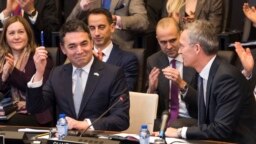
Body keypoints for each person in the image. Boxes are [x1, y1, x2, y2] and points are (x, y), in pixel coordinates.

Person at [157, 20, 256, 143]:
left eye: (182, 46)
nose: (180, 51)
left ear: (197, 48)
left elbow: (221, 129)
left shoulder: (225, 78)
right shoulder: (205, 71)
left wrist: (180, 132)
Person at [26, 19, 130, 131]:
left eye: (84, 44)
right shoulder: (57, 73)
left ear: (91, 43)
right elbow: (35, 107)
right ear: (63, 49)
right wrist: (39, 72)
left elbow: (121, 119)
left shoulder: (113, 74)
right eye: (72, 46)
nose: (79, 51)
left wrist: (83, 124)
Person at [0, 16, 53, 126]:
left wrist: (12, 71)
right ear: (5, 37)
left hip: (36, 113)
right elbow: (3, 93)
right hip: (9, 110)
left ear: (28, 35)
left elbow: (34, 90)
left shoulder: (40, 56)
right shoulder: (2, 58)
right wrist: (4, 75)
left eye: (20, 32)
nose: (16, 37)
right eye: (11, 33)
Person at [146, 17, 197, 130]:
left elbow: (204, 101)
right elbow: (149, 107)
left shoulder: (194, 57)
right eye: (163, 42)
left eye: (173, 40)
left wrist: (182, 84)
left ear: (181, 35)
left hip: (192, 118)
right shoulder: (153, 61)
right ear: (157, 39)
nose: (168, 46)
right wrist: (151, 89)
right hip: (165, 118)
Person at [86, 8, 138, 91]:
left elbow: (124, 94)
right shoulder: (82, 56)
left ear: (112, 27)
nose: (96, 33)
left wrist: (100, 68)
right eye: (92, 28)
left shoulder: (127, 60)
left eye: (101, 27)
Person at [67, 0, 149, 49]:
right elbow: (68, 25)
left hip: (117, 46)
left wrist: (117, 20)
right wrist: (81, 8)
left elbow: (143, 21)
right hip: (88, 47)